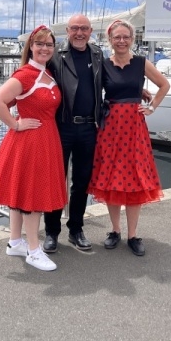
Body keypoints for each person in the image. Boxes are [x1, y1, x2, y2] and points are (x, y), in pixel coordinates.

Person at [0, 25, 67, 271]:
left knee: (24, 193)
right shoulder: (26, 75)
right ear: (31, 46)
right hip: (30, 142)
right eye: (39, 44)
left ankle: (15, 242)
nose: (45, 48)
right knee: (33, 196)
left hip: (45, 140)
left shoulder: (46, 73)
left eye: (49, 45)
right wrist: (15, 124)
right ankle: (33, 250)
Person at [87, 20, 170, 256]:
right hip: (111, 128)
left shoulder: (141, 63)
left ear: (132, 39)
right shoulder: (103, 65)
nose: (121, 41)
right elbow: (93, 92)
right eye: (117, 37)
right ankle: (115, 230)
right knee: (112, 178)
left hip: (134, 128)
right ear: (110, 40)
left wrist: (152, 107)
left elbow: (164, 85)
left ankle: (133, 235)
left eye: (126, 37)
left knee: (135, 178)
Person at [42, 14, 103, 253]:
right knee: (55, 180)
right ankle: (51, 232)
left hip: (88, 128)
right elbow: (36, 78)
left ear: (90, 31)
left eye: (84, 29)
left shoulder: (97, 54)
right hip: (61, 127)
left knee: (82, 182)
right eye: (75, 28)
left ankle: (76, 229)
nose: (79, 33)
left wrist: (137, 91)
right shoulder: (55, 54)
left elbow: (109, 81)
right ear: (67, 31)